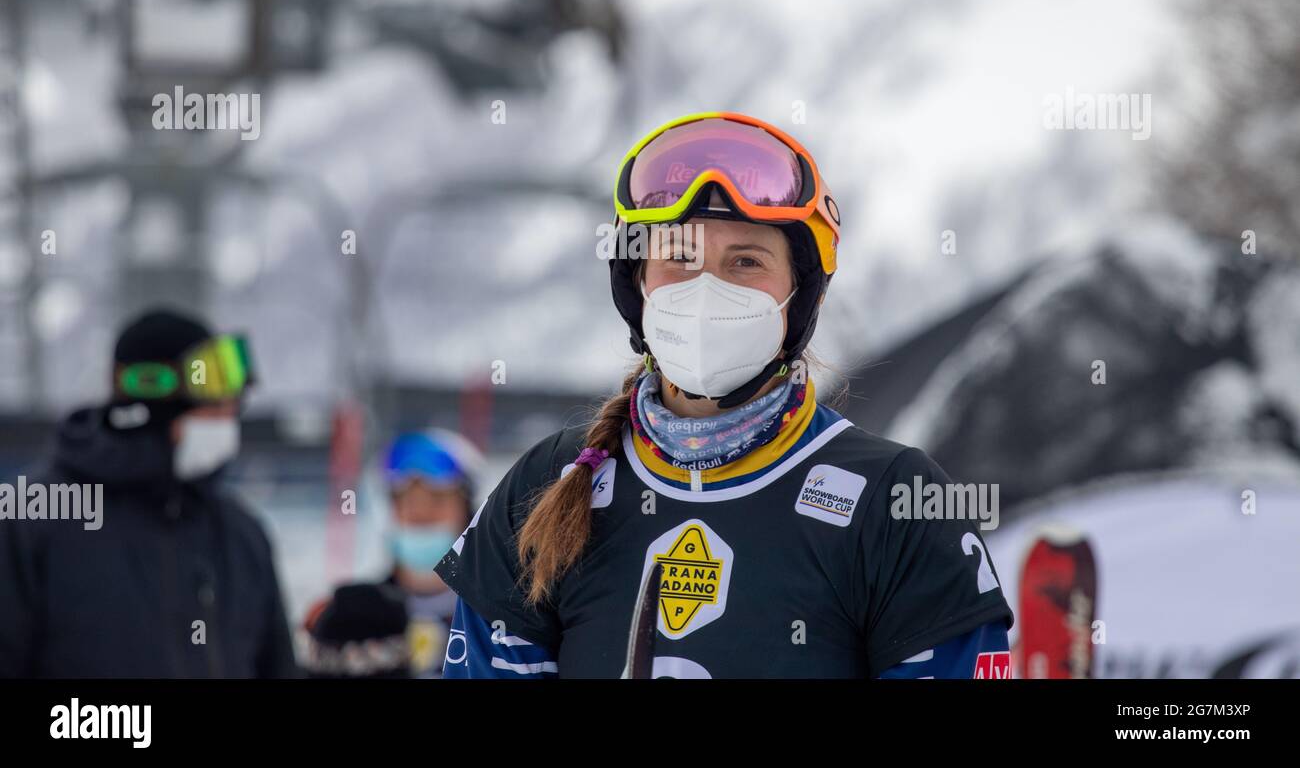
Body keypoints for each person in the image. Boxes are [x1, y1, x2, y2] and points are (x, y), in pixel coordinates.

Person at [437, 111, 1014, 678]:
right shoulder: (548, 485)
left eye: (745, 262)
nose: (706, 288)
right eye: (679, 257)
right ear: (637, 282)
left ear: (799, 293)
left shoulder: (896, 504)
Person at [0, 308, 299, 677]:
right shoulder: (32, 518)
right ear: (152, 394)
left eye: (231, 405)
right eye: (213, 403)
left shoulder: (241, 536)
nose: (228, 418)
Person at [302, 428, 477, 678]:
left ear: (468, 514)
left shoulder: (497, 619)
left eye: (437, 500)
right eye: (406, 502)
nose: (420, 515)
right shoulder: (347, 618)